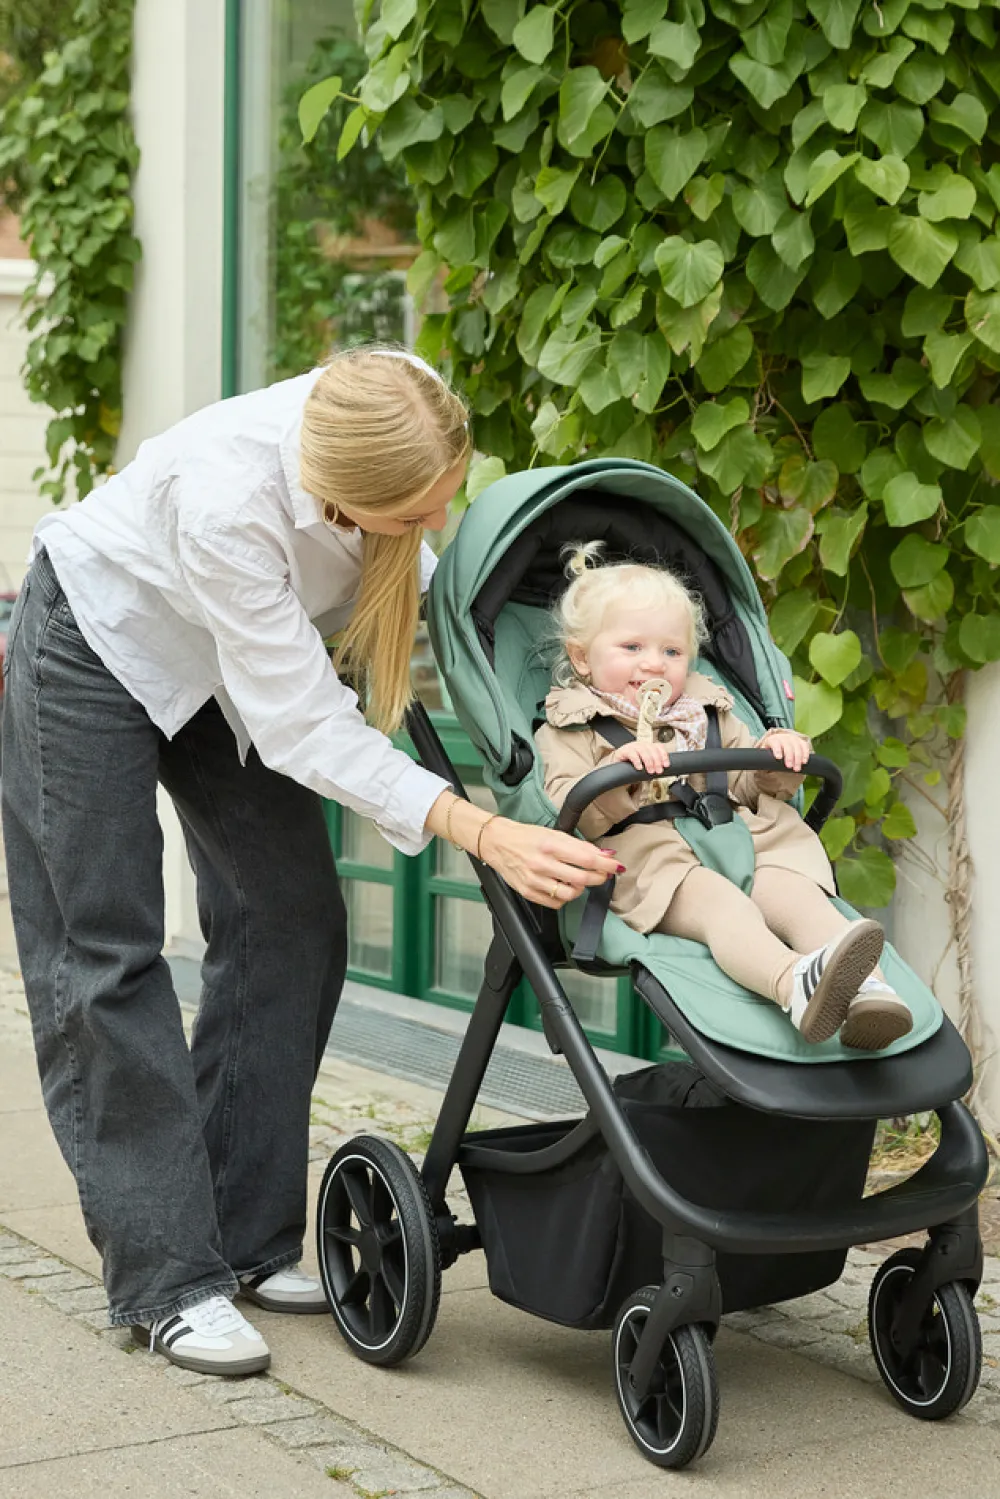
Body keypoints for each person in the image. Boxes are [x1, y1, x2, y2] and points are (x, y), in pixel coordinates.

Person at [0, 347, 617, 1378]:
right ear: (344, 499)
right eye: (414, 513)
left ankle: (246, 1238)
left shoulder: (398, 400)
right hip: (97, 640)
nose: (432, 526)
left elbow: (422, 600)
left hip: (228, 662)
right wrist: (476, 826)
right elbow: (301, 724)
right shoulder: (226, 503)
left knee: (291, 913)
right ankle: (169, 1279)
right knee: (105, 948)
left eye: (442, 500)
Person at [535, 542, 913, 1053]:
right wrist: (617, 771)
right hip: (655, 865)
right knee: (724, 908)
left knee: (795, 893)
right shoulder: (569, 726)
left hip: (740, 841)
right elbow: (566, 809)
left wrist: (774, 760)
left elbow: (742, 783)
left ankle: (868, 989)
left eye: (671, 652)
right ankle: (792, 985)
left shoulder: (706, 708)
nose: (654, 665)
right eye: (632, 648)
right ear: (582, 658)